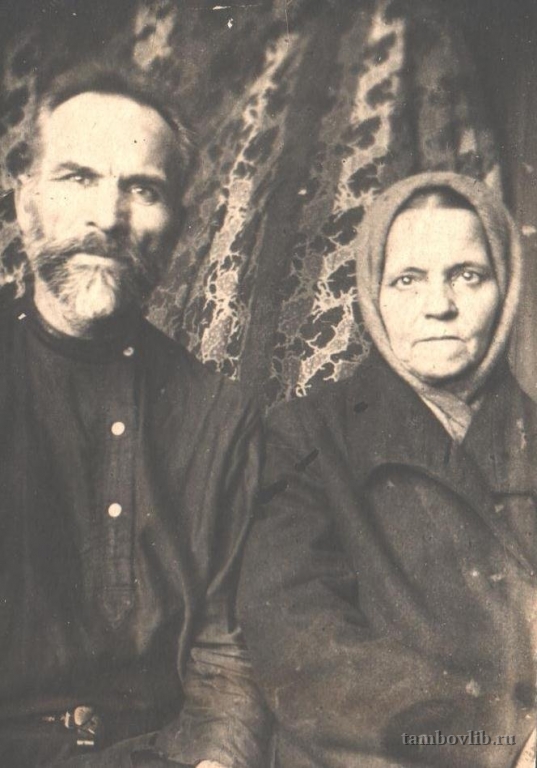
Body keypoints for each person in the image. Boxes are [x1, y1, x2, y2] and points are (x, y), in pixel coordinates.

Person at [0, 63, 270, 768]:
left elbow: (223, 658)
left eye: (142, 189)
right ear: (25, 202)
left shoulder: (220, 415)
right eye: (78, 177)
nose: (108, 217)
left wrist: (216, 761)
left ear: (178, 224)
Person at [238, 172, 537, 768]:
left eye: (467, 275)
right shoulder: (307, 435)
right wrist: (498, 738)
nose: (439, 305)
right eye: (408, 279)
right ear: (372, 293)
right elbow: (299, 642)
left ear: (506, 288)